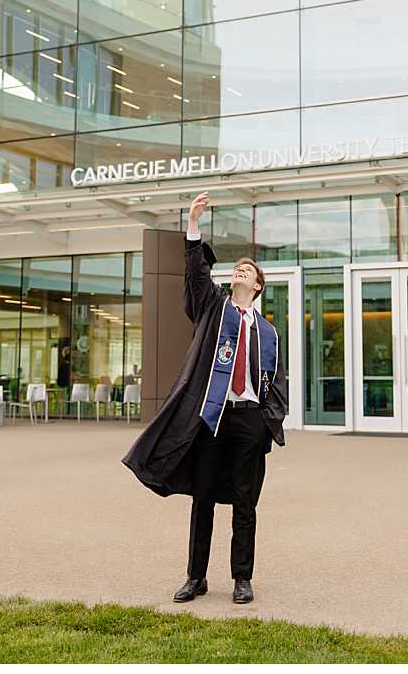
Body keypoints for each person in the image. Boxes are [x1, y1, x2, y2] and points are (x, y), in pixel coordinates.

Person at [122, 191, 287, 605]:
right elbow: (197, 276)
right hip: (212, 419)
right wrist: (193, 227)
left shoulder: (268, 332)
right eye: (237, 268)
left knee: (246, 503)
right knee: (204, 500)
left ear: (258, 285)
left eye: (247, 270)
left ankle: (242, 579)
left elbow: (277, 382)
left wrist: (270, 417)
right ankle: (196, 577)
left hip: (249, 420)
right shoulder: (215, 308)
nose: (240, 271)